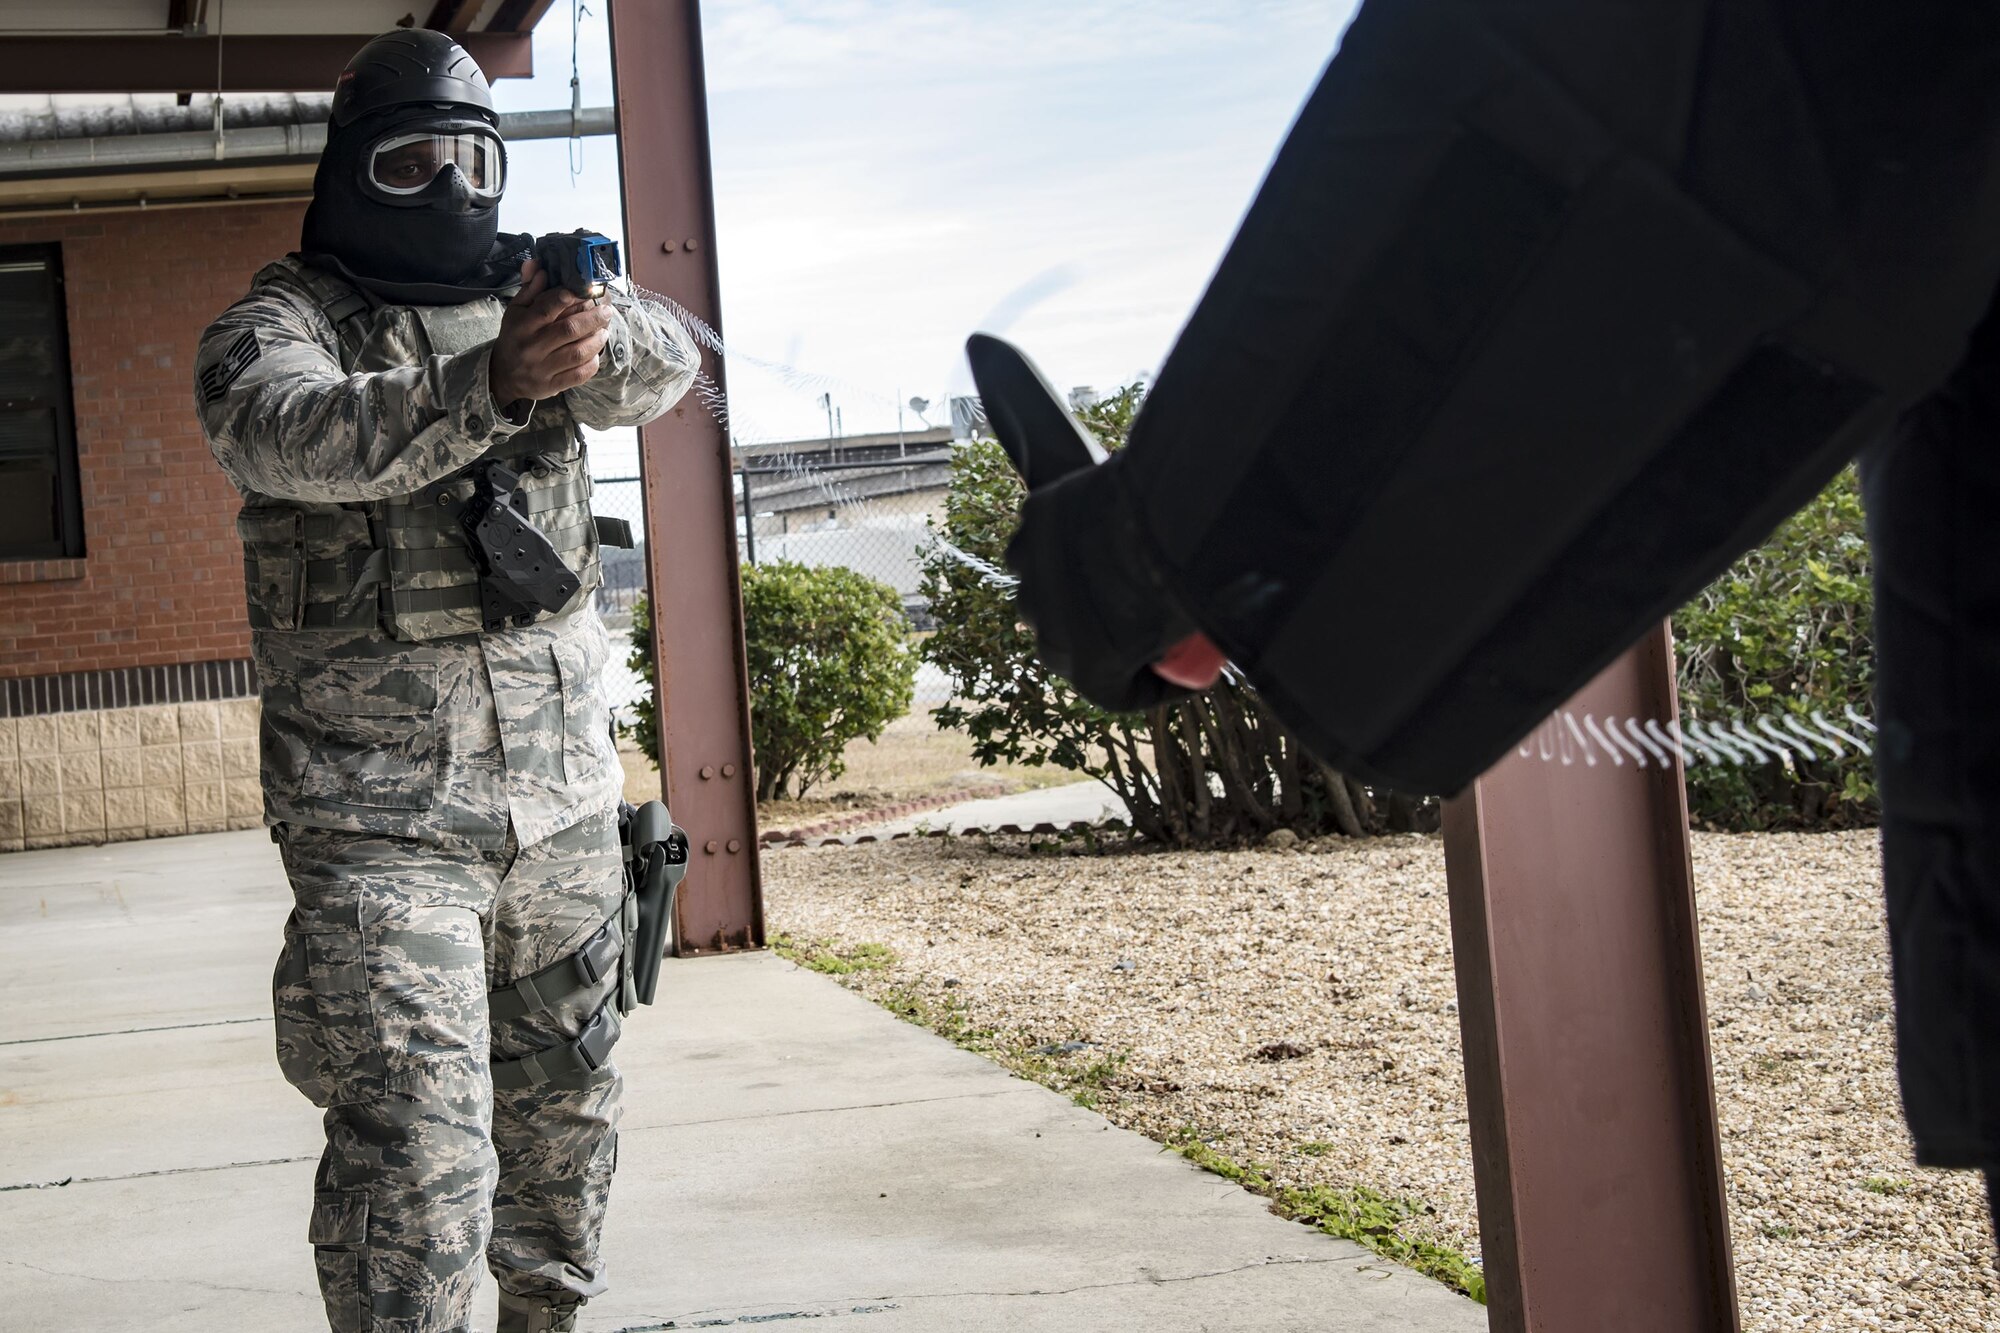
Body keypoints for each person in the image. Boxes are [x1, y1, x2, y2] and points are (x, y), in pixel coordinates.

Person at [193, 29, 697, 1333]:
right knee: (420, 1167)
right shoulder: (280, 321)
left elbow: (671, 360)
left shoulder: (531, 295)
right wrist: (493, 380)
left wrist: (587, 320)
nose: (449, 187)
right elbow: (294, 432)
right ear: (356, 167)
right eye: (412, 161)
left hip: (565, 829)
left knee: (566, 1157)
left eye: (472, 157)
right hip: (380, 840)